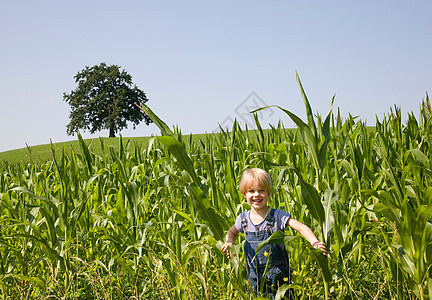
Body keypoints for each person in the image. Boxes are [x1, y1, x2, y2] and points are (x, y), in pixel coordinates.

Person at [221, 168, 327, 299]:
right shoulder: (243, 220)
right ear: (244, 194)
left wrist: (315, 243)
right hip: (254, 276)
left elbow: (301, 227)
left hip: (278, 277)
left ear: (268, 192)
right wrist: (229, 243)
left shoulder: (277, 216)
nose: (256, 195)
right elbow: (232, 232)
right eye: (251, 191)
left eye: (261, 190)